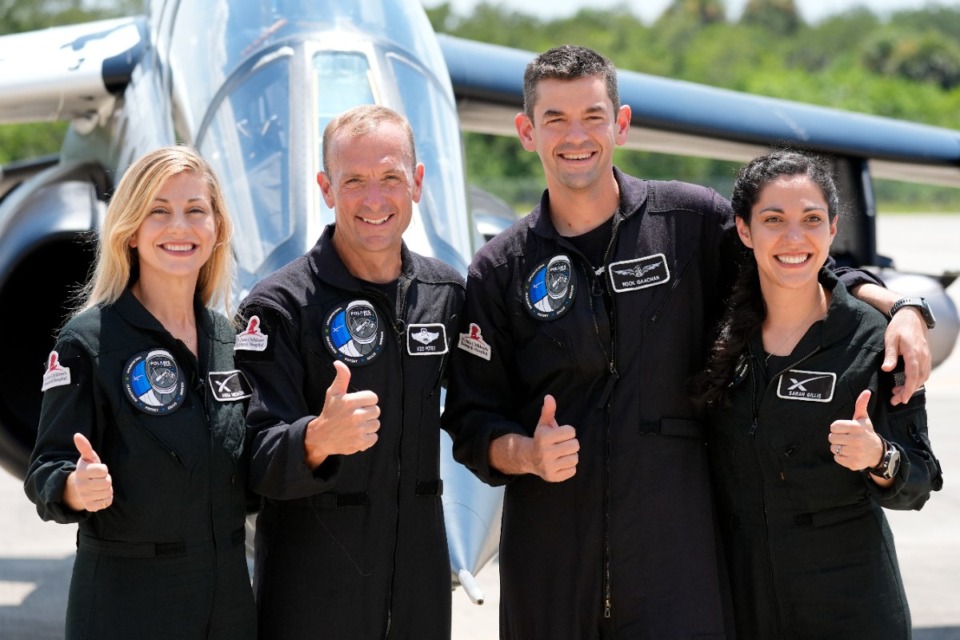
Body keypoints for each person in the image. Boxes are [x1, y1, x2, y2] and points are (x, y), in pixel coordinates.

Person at [440, 45, 933, 639]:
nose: (577, 136)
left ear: (620, 124)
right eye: (555, 119)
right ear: (526, 131)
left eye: (594, 116)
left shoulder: (689, 222)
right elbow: (471, 421)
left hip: (676, 562)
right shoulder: (499, 269)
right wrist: (526, 455)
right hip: (552, 561)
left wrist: (900, 303)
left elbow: (787, 258)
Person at [234, 104, 464, 640]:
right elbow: (248, 458)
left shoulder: (446, 295)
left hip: (419, 596)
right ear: (326, 187)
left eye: (390, 178)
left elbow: (484, 408)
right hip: (313, 599)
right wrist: (315, 439)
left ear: (418, 183)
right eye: (354, 180)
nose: (375, 199)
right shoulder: (276, 308)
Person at [694, 149, 943, 638]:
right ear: (745, 231)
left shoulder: (877, 340)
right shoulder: (717, 336)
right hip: (743, 604)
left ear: (832, 228)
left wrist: (879, 456)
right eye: (773, 219)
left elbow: (921, 478)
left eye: (811, 219)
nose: (793, 237)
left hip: (849, 606)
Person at [23, 145, 256, 639]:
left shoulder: (226, 340)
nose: (180, 227)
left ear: (216, 228)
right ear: (130, 231)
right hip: (128, 606)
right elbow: (47, 467)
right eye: (159, 211)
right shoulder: (88, 341)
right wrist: (73, 487)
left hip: (228, 603)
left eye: (196, 210)